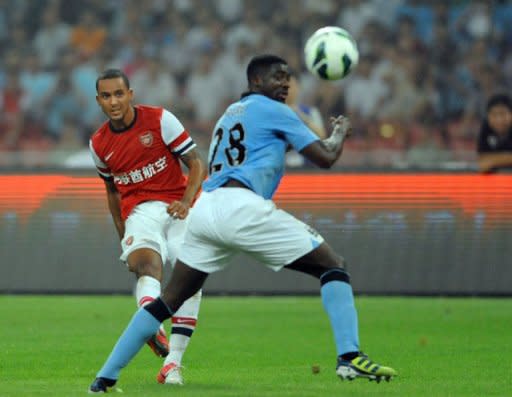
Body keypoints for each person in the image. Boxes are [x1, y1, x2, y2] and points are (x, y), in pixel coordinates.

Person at [89, 55, 397, 393]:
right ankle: (350, 358)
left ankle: (104, 378)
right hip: (241, 207)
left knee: (170, 300)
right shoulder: (277, 110)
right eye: (277, 77)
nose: (285, 84)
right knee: (333, 266)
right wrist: (339, 132)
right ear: (256, 82)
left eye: (288, 78)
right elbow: (325, 156)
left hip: (206, 210)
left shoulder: (229, 115)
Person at [89, 69, 206, 386]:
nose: (113, 101)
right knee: (145, 265)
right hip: (140, 211)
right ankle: (152, 325)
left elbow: (196, 162)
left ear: (131, 94)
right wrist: (122, 234)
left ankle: (173, 363)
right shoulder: (99, 144)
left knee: (190, 278)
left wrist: (185, 200)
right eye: (106, 96)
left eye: (118, 94)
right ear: (98, 100)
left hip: (180, 208)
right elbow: (112, 191)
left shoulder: (160, 120)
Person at [477, 93, 512, 173]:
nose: (498, 120)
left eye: (502, 114)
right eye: (494, 114)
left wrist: (493, 160)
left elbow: (488, 161)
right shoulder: (486, 128)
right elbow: (482, 161)